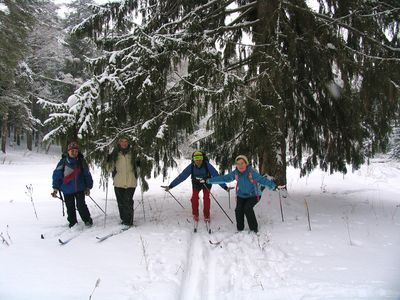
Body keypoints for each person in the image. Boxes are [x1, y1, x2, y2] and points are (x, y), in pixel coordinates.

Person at [207, 155, 283, 233]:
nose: (240, 166)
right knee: (238, 209)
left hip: (254, 195)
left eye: (242, 163)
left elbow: (262, 180)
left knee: (247, 208)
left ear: (246, 163)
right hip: (241, 195)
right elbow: (224, 178)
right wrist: (209, 181)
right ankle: (240, 229)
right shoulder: (236, 173)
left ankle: (254, 229)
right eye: (238, 164)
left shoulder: (251, 172)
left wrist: (274, 187)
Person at [163, 150, 228, 223]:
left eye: (200, 158)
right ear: (193, 159)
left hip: (207, 182)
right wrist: (171, 186)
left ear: (202, 158)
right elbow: (181, 177)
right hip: (196, 183)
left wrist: (225, 187)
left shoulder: (207, 165)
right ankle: (195, 214)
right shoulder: (191, 166)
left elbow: (216, 176)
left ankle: (206, 215)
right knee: (194, 198)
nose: (198, 160)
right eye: (196, 158)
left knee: (206, 198)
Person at [52, 141, 93, 228]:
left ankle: (87, 220)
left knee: (81, 206)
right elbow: (56, 175)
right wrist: (55, 188)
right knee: (70, 207)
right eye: (72, 151)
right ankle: (72, 223)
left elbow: (87, 174)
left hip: (80, 189)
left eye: (76, 151)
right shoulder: (63, 162)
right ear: (68, 151)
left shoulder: (82, 162)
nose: (74, 153)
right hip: (67, 190)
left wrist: (88, 187)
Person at [107, 136, 140, 226]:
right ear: (119, 142)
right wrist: (108, 160)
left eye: (126, 141)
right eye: (122, 141)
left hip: (131, 180)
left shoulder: (133, 153)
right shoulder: (115, 153)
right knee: (120, 202)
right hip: (119, 181)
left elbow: (139, 167)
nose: (124, 143)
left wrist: (139, 163)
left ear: (128, 142)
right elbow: (110, 169)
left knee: (128, 201)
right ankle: (124, 219)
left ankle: (128, 221)